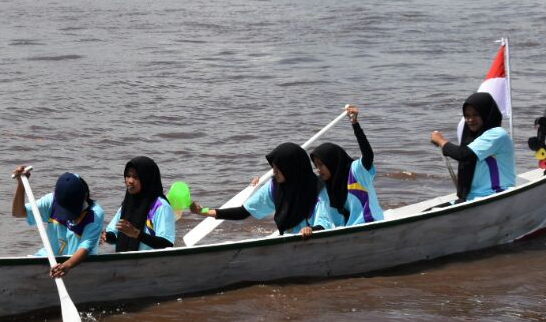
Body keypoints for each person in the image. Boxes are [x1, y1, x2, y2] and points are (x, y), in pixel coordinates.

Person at [186, 142, 334, 238]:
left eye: (278, 169)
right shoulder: (274, 187)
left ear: (291, 169)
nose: (274, 172)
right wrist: (203, 212)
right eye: (273, 168)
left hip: (311, 238)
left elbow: (324, 222)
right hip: (287, 239)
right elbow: (243, 212)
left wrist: (311, 230)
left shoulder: (318, 189)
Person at [11, 166, 104, 277]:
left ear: (84, 197)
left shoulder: (95, 215)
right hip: (48, 257)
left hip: (76, 264)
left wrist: (67, 265)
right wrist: (21, 185)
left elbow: (85, 248)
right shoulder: (52, 200)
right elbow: (18, 212)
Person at [430, 92, 516, 202]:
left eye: (475, 115)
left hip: (496, 194)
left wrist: (441, 141)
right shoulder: (472, 138)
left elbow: (463, 154)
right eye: (467, 116)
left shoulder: (497, 134)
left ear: (486, 114)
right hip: (472, 197)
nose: (470, 120)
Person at [310, 105, 384, 227]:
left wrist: (355, 123)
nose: (318, 169)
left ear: (331, 162)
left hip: (371, 223)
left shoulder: (356, 172)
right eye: (316, 165)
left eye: (321, 165)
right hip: (348, 228)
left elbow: (368, 155)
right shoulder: (323, 187)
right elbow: (323, 218)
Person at [103, 156, 176, 252]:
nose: (130, 181)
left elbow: (167, 244)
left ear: (147, 179)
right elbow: (114, 233)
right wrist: (106, 236)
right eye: (128, 176)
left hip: (150, 263)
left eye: (136, 177)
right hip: (125, 262)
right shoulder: (127, 204)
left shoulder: (160, 206)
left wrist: (137, 234)